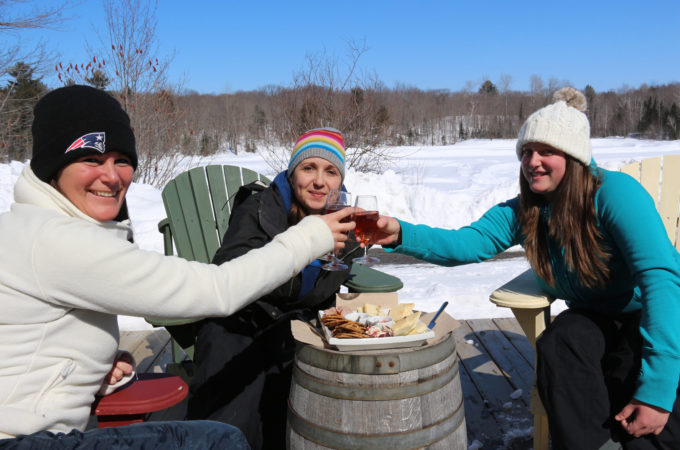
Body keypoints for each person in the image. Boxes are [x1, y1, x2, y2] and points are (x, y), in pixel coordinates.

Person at [0, 86, 355, 449]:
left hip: (44, 429)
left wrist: (87, 364)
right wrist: (312, 237)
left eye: (121, 160)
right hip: (22, 440)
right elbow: (218, 287)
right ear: (53, 166)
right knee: (220, 440)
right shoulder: (56, 240)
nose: (111, 176)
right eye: (91, 159)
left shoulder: (34, 230)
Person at [371, 87, 680, 449]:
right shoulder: (526, 210)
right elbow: (467, 243)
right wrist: (399, 233)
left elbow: (658, 278)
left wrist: (657, 391)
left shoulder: (614, 194)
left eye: (547, 151)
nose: (533, 161)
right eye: (527, 152)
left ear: (574, 156)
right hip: (595, 316)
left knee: (638, 391)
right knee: (561, 342)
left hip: (652, 314)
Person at [187, 127, 360, 449]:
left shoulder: (344, 220)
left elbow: (333, 278)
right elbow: (231, 266)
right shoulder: (257, 208)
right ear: (293, 173)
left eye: (330, 171)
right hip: (243, 317)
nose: (319, 181)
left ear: (340, 181)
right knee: (232, 397)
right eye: (309, 168)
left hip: (299, 324)